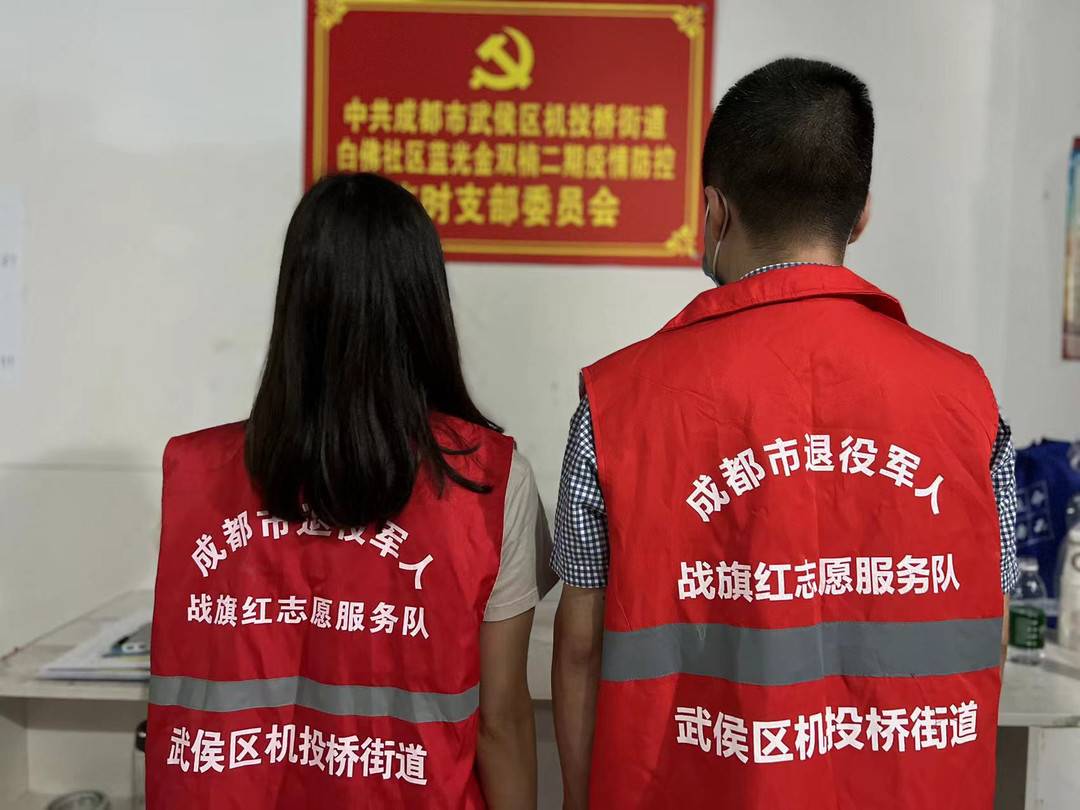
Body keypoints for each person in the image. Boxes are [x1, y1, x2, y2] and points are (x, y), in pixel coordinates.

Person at [551, 58, 1017, 810]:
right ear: (860, 215)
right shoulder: (971, 403)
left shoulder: (614, 407)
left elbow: (579, 649)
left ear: (714, 211)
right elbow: (988, 629)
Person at [147, 173, 549, 809]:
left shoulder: (198, 472)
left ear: (295, 298)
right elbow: (500, 720)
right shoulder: (486, 481)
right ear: (422, 303)